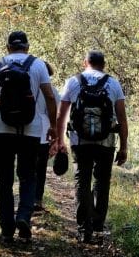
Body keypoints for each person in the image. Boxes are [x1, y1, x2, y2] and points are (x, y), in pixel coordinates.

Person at [0, 31, 57, 243]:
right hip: (31, 129)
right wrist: (52, 126)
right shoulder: (38, 65)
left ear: (8, 47)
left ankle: (7, 230)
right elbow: (50, 97)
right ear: (27, 46)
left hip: (2, 128)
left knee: (4, 181)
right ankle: (24, 217)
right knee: (28, 176)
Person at [53, 50, 128, 244]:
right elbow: (122, 117)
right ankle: (97, 225)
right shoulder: (113, 83)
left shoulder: (73, 81)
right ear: (104, 64)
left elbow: (62, 115)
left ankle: (83, 228)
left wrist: (60, 140)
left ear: (85, 62)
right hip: (106, 141)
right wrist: (124, 147)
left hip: (80, 141)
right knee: (102, 181)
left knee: (82, 180)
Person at [34, 62, 59, 212]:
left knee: (27, 168)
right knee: (41, 168)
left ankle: (27, 199)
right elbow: (56, 113)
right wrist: (55, 136)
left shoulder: (27, 87)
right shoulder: (53, 91)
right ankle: (37, 200)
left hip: (26, 129)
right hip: (44, 131)